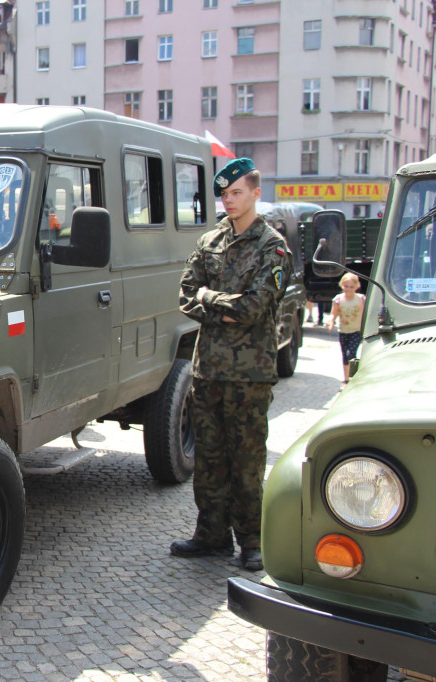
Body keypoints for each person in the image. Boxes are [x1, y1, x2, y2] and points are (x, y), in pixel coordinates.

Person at [171, 157, 289, 572]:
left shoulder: (271, 246)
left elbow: (255, 308)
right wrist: (216, 303)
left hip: (249, 375)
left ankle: (252, 542)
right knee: (209, 457)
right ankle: (212, 535)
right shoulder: (210, 242)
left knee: (247, 459)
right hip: (208, 371)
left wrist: (209, 300)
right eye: (224, 194)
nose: (229, 200)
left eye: (236, 192)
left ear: (256, 192)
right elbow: (185, 295)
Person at [326, 272, 365, 385]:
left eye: (351, 287)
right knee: (345, 354)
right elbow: (334, 313)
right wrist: (331, 321)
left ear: (357, 287)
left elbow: (365, 314)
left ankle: (354, 377)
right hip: (343, 330)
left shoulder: (361, 299)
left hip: (356, 330)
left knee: (351, 354)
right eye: (346, 286)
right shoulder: (338, 299)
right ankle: (346, 379)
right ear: (341, 285)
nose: (348, 289)